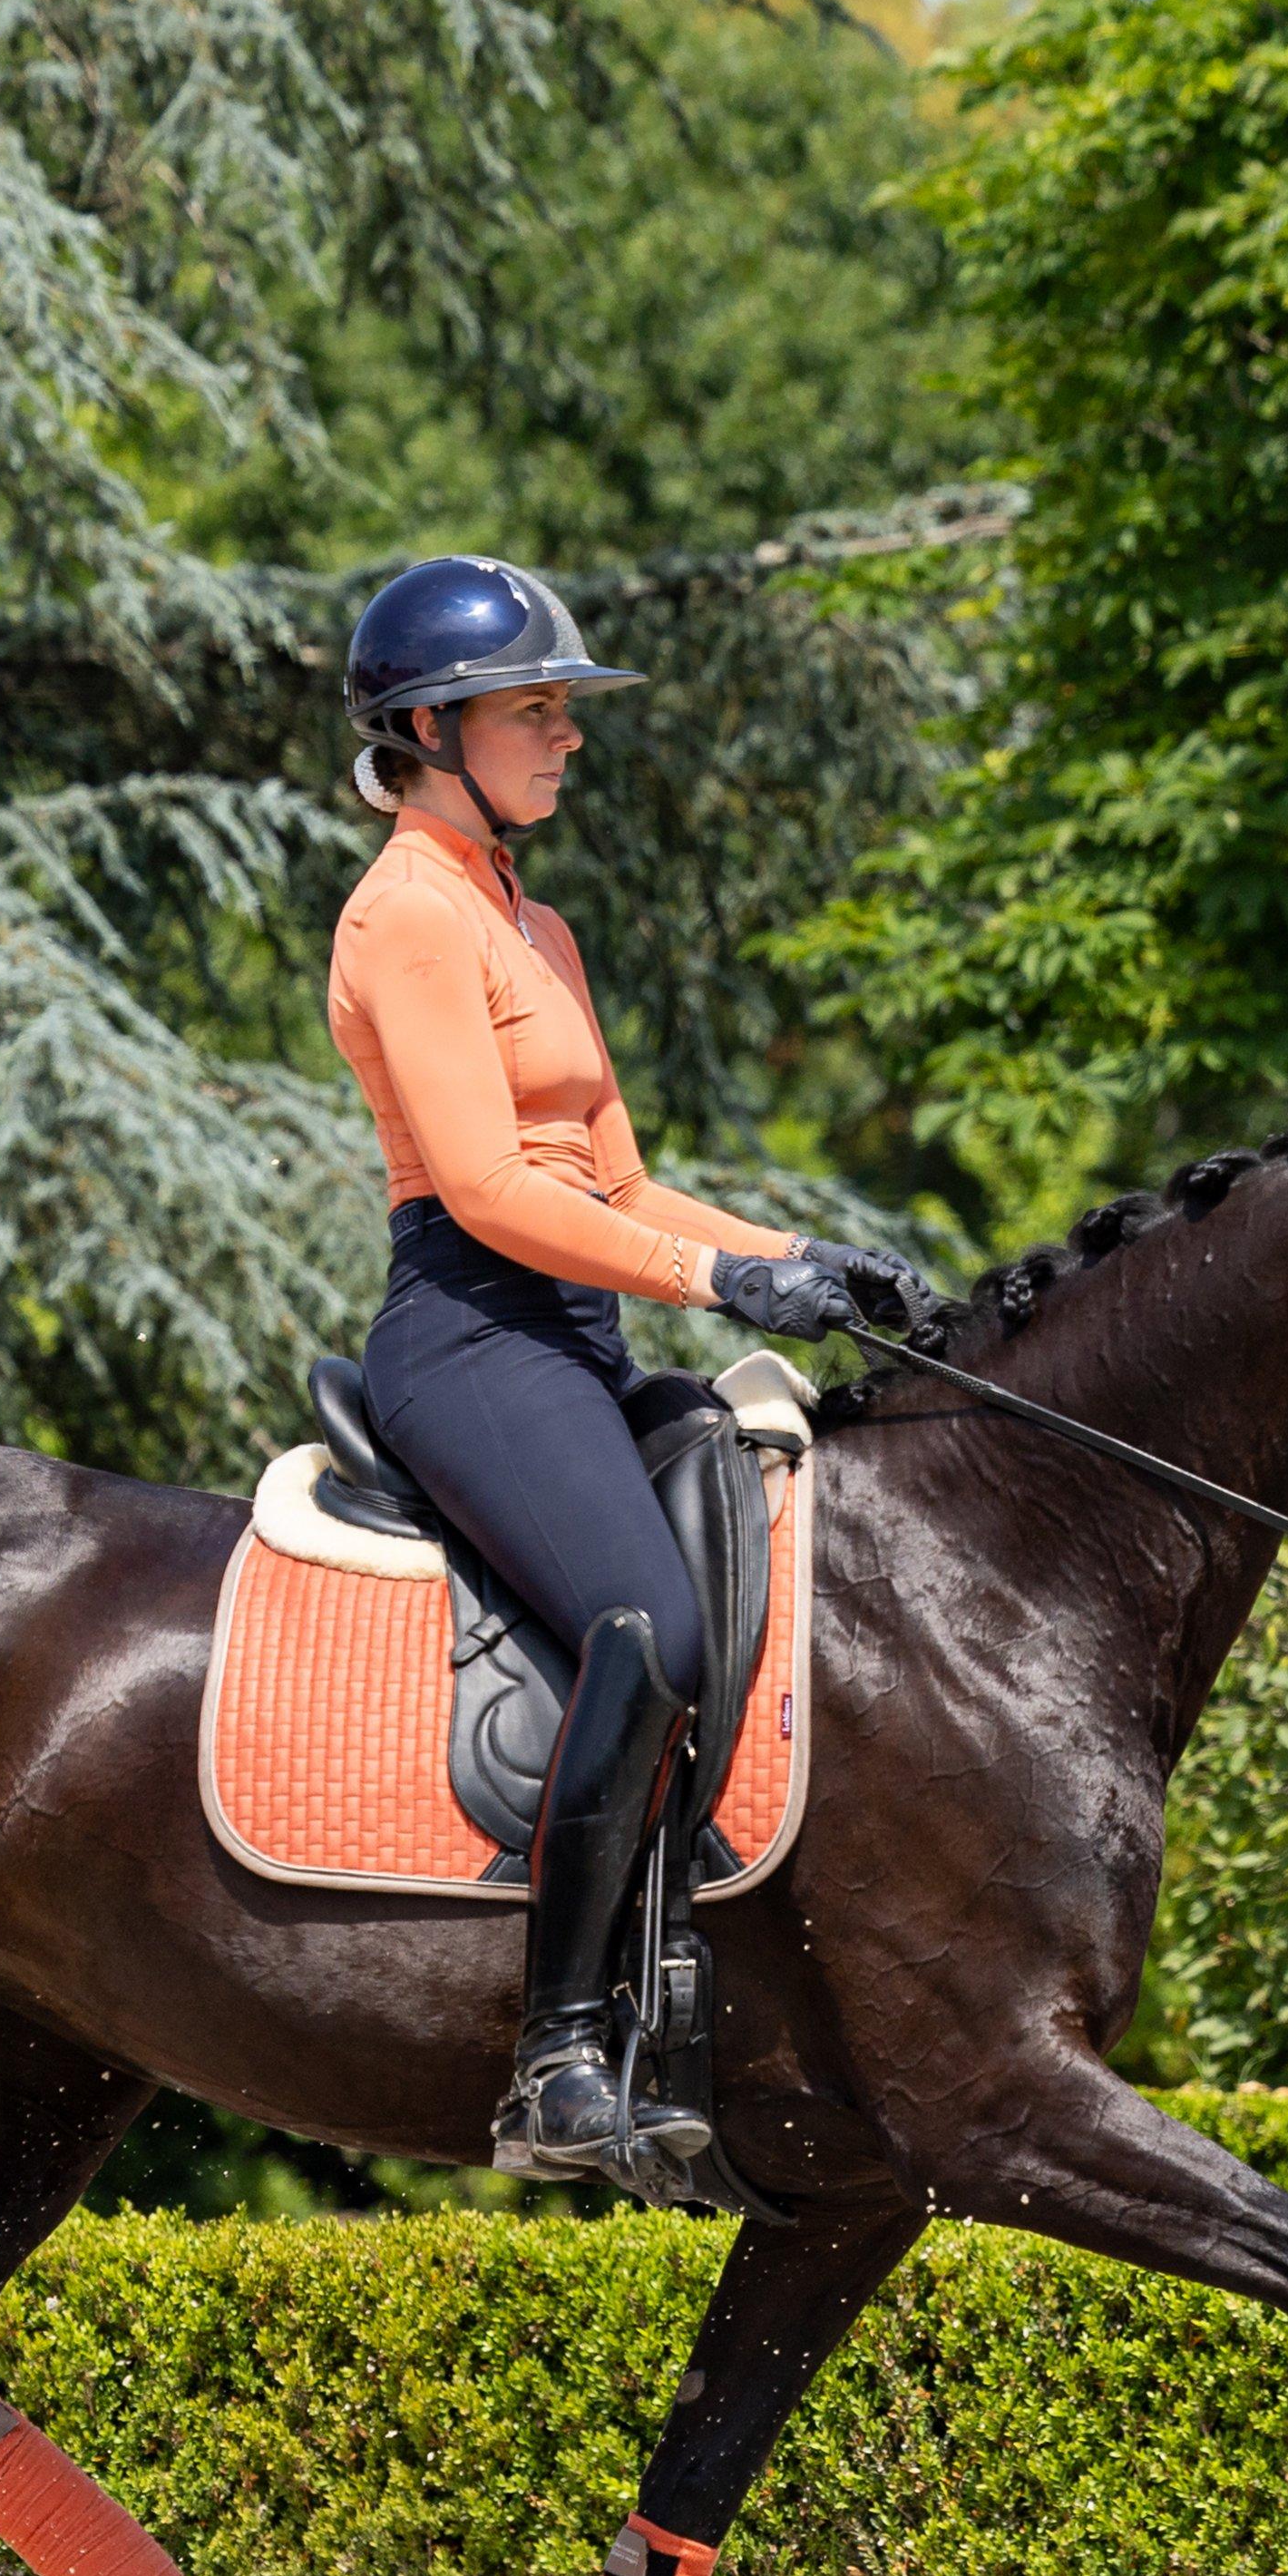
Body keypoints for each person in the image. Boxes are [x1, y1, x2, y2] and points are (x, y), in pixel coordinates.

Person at [324, 554, 933, 2188]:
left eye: (566, 712)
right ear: (433, 729)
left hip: (574, 1340)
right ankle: (556, 2056)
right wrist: (723, 1280)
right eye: (538, 710)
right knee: (644, 1625)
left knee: (771, 1550)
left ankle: (691, 1972)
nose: (568, 737)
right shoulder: (402, 915)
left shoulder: (540, 924)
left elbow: (622, 1187)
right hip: (468, 1336)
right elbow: (494, 1193)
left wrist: (806, 1261)